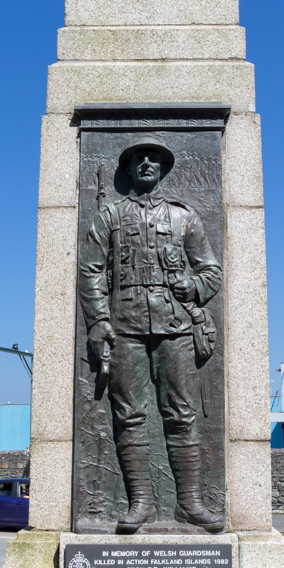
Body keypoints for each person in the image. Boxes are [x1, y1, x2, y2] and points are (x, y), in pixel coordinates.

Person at [78, 136, 223, 533]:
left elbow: (211, 270)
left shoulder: (184, 217)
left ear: (162, 167)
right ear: (127, 168)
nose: (146, 163)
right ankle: (140, 502)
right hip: (124, 326)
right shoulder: (108, 217)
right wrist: (98, 321)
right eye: (138, 158)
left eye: (153, 157)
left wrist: (191, 288)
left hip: (175, 326)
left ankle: (189, 504)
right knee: (129, 415)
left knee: (182, 414)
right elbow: (91, 271)